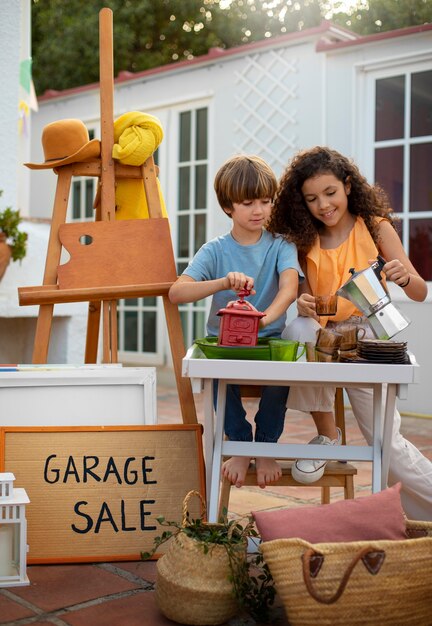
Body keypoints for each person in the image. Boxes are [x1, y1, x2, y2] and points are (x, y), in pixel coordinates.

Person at [267, 145, 431, 520]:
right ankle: (327, 436)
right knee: (297, 328)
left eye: (330, 193)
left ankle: (421, 509)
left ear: (348, 186)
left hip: (371, 338)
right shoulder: (304, 239)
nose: (323, 205)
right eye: (311, 199)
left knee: (385, 445)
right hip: (326, 338)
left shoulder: (374, 227)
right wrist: (304, 303)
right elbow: (305, 298)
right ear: (301, 202)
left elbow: (419, 291)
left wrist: (406, 278)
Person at [169, 155, 303, 489]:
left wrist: (263, 320)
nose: (259, 210)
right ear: (228, 206)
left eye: (266, 201)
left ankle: (265, 446)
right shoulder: (214, 250)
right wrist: (223, 283)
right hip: (225, 345)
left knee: (281, 374)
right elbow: (177, 293)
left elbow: (289, 287)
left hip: (268, 338)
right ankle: (240, 443)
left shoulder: (281, 245)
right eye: (248, 202)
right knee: (214, 373)